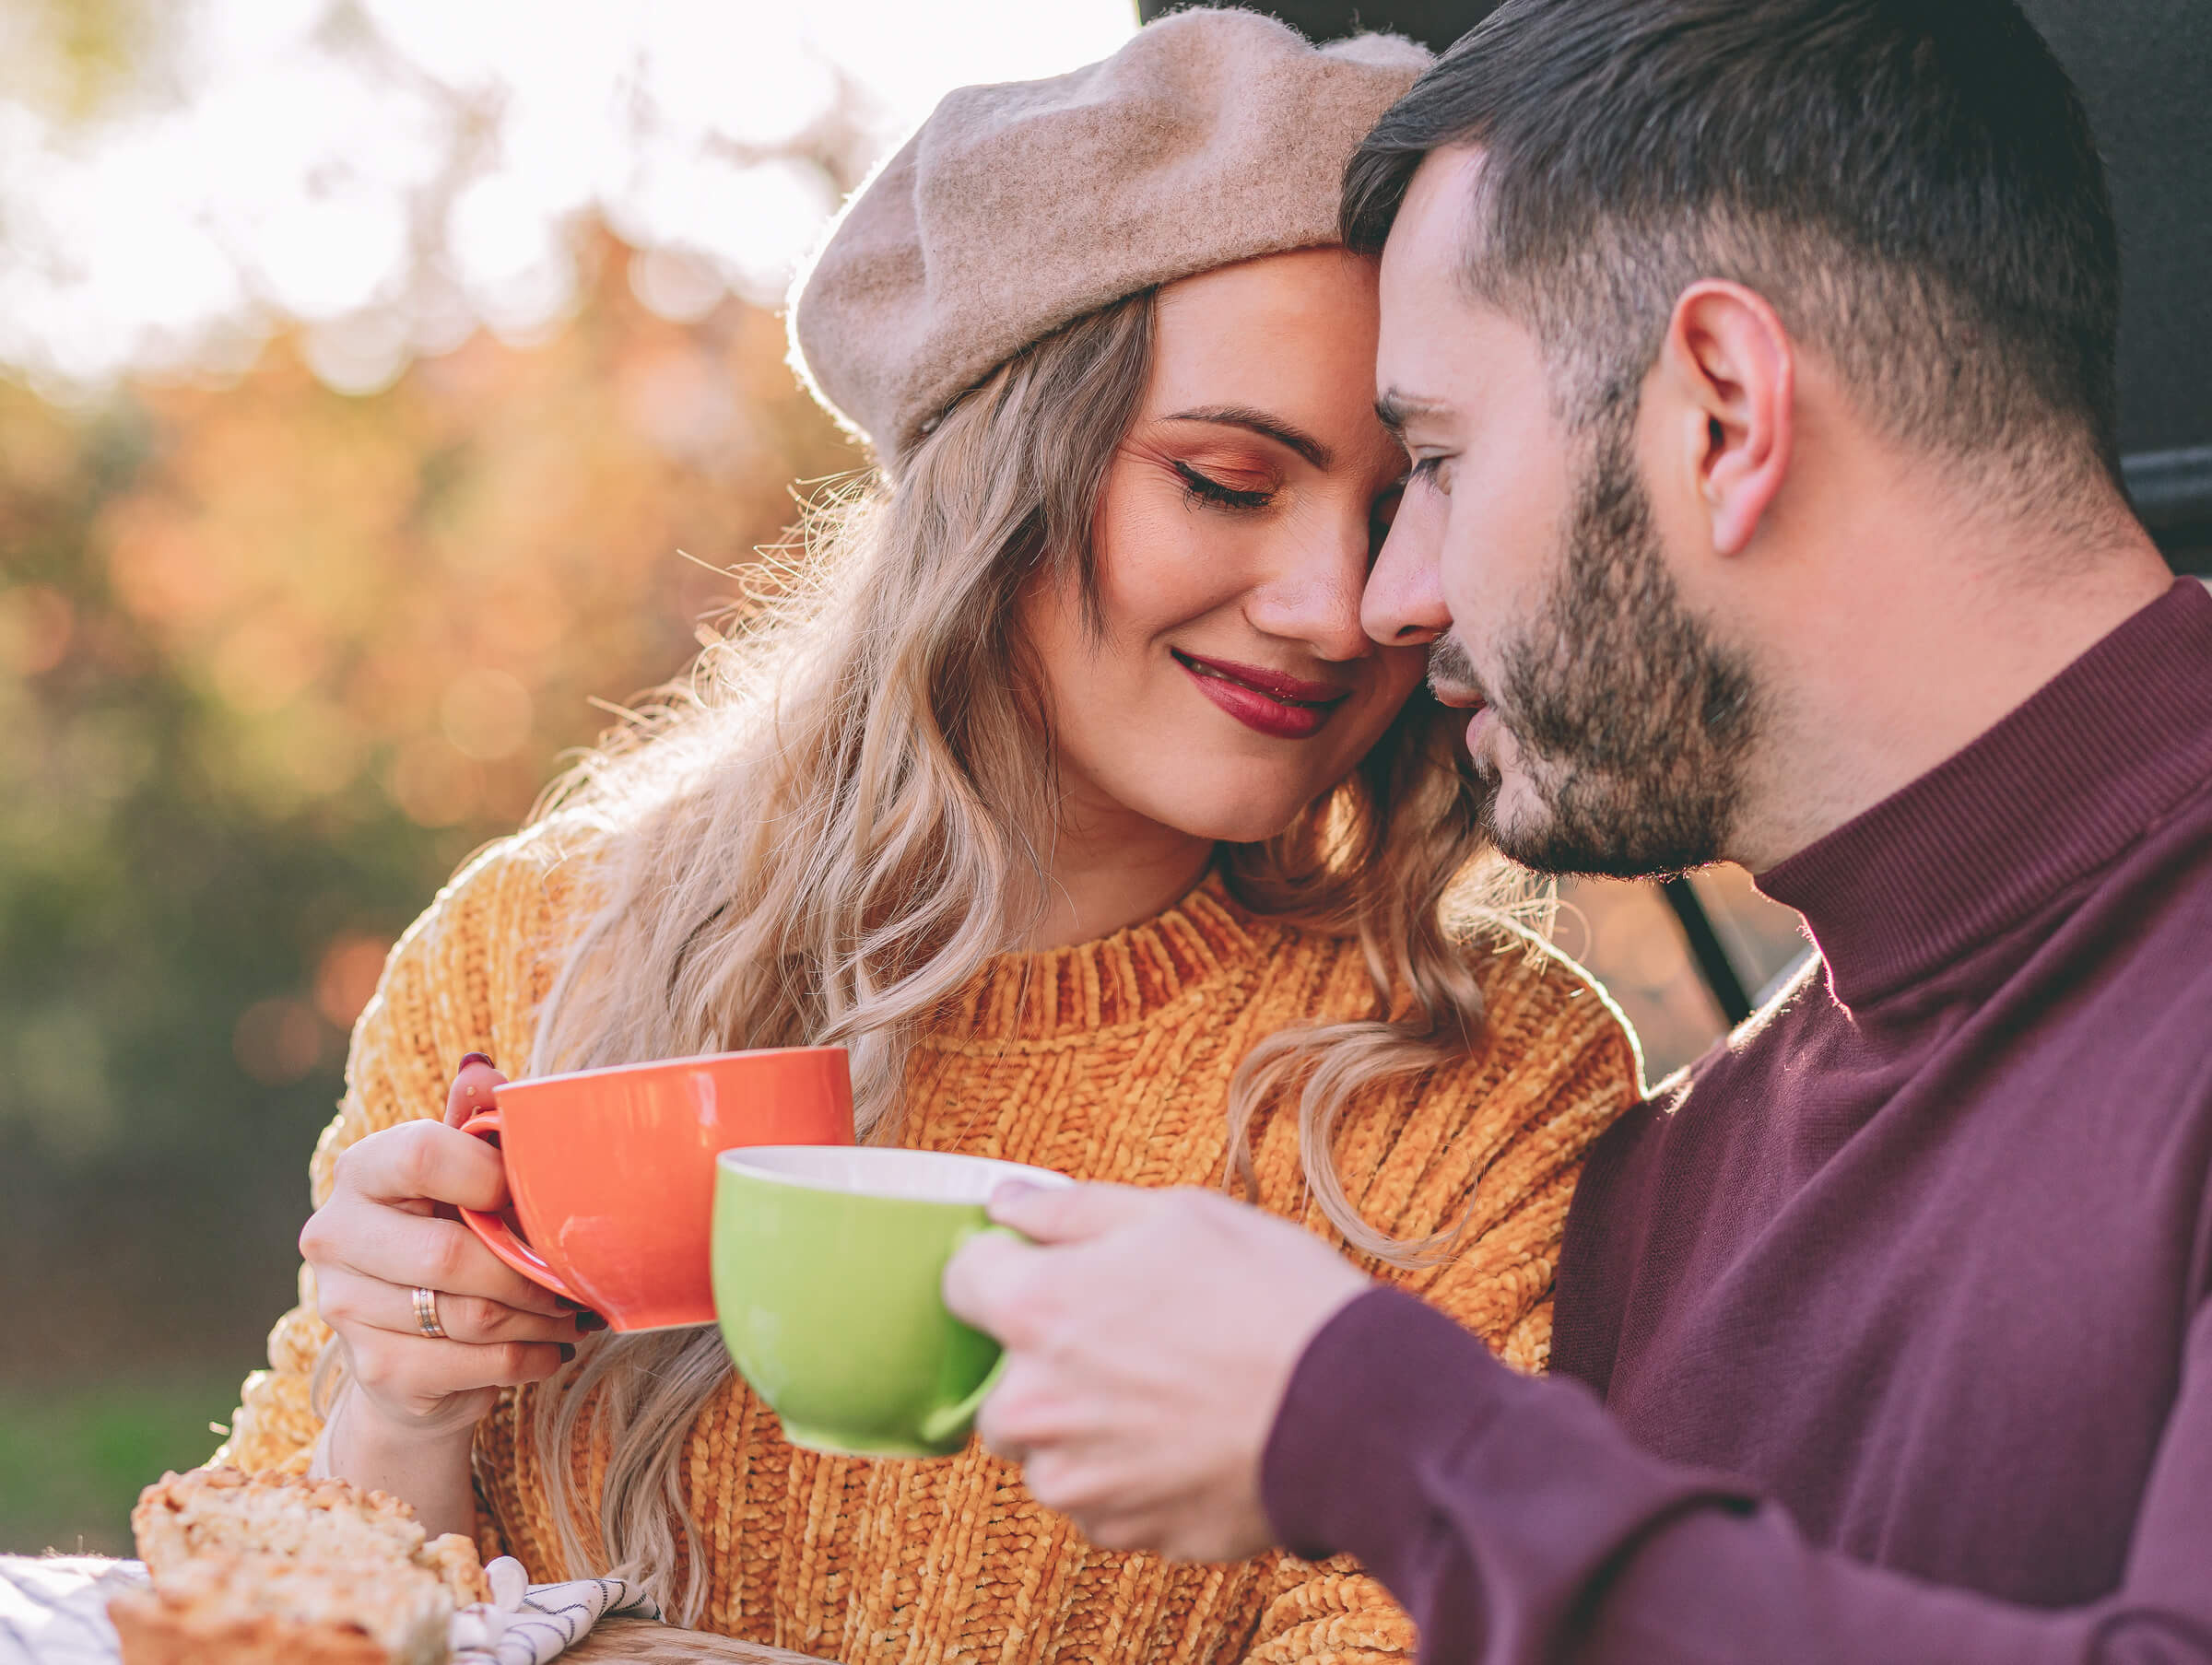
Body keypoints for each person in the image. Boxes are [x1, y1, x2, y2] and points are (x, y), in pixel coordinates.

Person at [216, 12, 1644, 1662]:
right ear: (1001, 483)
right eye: (1231, 482)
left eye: (1405, 506)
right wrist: (397, 1414)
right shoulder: (532, 948)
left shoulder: (1478, 1088)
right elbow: (235, 1614)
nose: (1340, 609)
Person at [942, 0, 2212, 1658]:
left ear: (1726, 414)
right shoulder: (1673, 1179)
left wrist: (1390, 1440)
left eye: (1438, 467)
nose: (1388, 605)